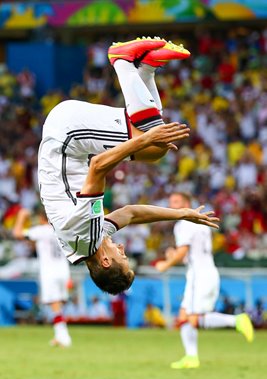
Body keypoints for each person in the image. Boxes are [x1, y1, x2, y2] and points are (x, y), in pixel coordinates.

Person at [38, 37, 219, 296]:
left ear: (106, 261)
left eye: (122, 258)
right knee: (154, 151)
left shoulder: (86, 234)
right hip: (67, 137)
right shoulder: (86, 244)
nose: (123, 250)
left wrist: (146, 138)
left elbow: (98, 167)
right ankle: (147, 67)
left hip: (67, 134)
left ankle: (122, 61)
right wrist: (182, 214)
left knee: (153, 139)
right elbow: (131, 213)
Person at [156, 192, 254, 369]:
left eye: (177, 202)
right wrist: (176, 256)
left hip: (199, 275)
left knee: (193, 319)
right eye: (171, 202)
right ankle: (191, 357)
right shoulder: (199, 221)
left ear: (186, 203)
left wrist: (166, 264)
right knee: (184, 316)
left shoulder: (183, 223)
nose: (173, 206)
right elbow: (192, 251)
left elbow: (183, 252)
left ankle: (237, 320)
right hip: (205, 271)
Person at [13, 207, 72, 347]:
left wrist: (21, 216)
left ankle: (63, 335)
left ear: (41, 218)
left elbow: (17, 234)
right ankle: (59, 334)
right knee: (57, 303)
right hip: (63, 270)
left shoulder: (41, 230)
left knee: (54, 302)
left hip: (50, 271)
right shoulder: (61, 229)